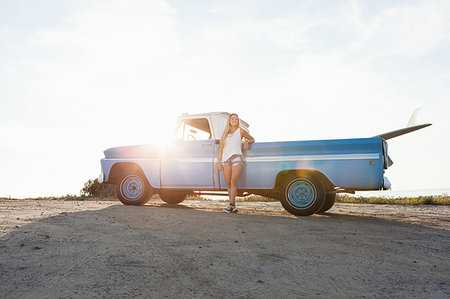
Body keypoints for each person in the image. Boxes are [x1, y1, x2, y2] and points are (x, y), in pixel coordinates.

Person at [218, 113, 255, 213]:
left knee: (234, 181)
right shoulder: (225, 133)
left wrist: (247, 142)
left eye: (236, 119)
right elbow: (221, 148)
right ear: (229, 121)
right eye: (232, 118)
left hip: (237, 158)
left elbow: (252, 138)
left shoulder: (241, 131)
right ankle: (233, 205)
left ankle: (230, 204)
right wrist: (219, 162)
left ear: (238, 121)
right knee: (229, 183)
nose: (234, 120)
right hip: (226, 160)